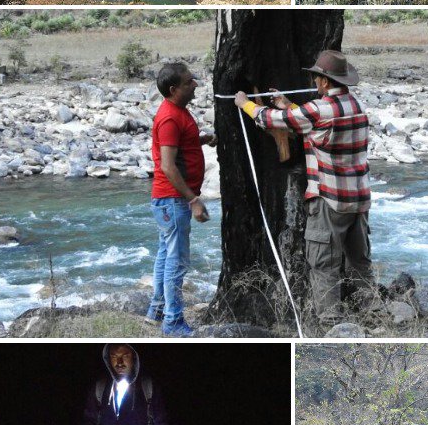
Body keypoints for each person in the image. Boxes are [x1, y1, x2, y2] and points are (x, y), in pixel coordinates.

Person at [234, 50, 371, 326]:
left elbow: (270, 120)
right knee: (360, 261)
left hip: (328, 200)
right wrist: (288, 105)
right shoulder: (356, 105)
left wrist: (245, 104)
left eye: (315, 77)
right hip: (358, 199)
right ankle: (372, 311)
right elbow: (312, 122)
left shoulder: (318, 109)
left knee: (323, 263)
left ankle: (331, 322)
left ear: (322, 81)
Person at [148, 61, 216, 337]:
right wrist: (193, 200)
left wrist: (202, 139)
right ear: (174, 89)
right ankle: (174, 323)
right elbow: (168, 165)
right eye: (189, 82)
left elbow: (179, 147)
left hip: (168, 201)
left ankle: (157, 310)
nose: (195, 84)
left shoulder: (178, 112)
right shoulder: (169, 117)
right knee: (177, 261)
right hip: (173, 200)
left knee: (165, 255)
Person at [84, 343, 170, 425]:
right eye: (114, 356)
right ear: (108, 359)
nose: (119, 362)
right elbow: (88, 424)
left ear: (134, 357)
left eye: (125, 355)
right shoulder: (100, 388)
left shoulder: (147, 387)